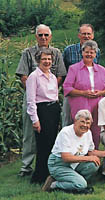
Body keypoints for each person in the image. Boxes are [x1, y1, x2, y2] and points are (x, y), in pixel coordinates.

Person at [15, 24, 66, 177]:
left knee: (50, 135)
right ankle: (26, 167)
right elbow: (23, 75)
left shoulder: (56, 53)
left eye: (46, 35)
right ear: (36, 37)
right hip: (32, 97)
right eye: (40, 35)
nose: (43, 38)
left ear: (50, 36)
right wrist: (36, 90)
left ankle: (48, 166)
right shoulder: (27, 53)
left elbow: (60, 75)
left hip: (49, 99)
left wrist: (48, 89)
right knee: (30, 133)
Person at [42, 110, 105, 193]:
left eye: (88, 123)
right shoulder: (66, 132)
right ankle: (53, 184)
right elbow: (66, 158)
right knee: (81, 185)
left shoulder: (88, 133)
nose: (85, 125)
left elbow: (91, 152)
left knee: (94, 165)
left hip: (75, 163)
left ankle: (73, 180)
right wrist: (88, 158)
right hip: (58, 164)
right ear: (75, 121)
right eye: (82, 122)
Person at [63, 40, 105, 150]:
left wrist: (101, 93)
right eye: (87, 52)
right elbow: (67, 87)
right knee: (81, 128)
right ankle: (78, 154)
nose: (89, 54)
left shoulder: (102, 69)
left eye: (92, 52)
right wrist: (83, 92)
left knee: (96, 130)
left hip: (97, 102)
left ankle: (94, 155)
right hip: (80, 101)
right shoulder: (73, 68)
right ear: (82, 52)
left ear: (95, 54)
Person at [26, 48, 61, 183]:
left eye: (49, 59)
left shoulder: (52, 76)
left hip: (53, 110)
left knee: (52, 143)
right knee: (43, 144)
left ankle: (50, 173)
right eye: (44, 59)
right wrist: (35, 120)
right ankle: (39, 177)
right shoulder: (33, 77)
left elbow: (55, 95)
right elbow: (31, 100)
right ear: (38, 61)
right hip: (42, 111)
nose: (47, 62)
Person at [62, 24, 101, 127]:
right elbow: (62, 70)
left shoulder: (97, 51)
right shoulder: (68, 50)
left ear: (93, 35)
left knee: (87, 121)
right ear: (79, 35)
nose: (86, 36)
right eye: (84, 34)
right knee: (69, 120)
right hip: (72, 92)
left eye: (89, 34)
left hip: (90, 95)